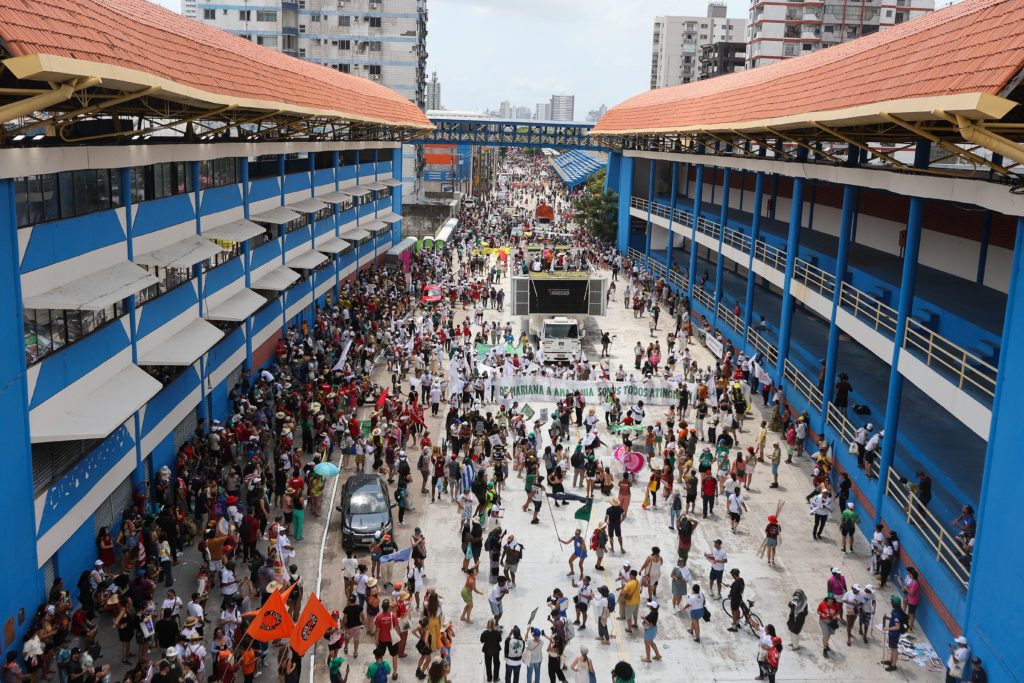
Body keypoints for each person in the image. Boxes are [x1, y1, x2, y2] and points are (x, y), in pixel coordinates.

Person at [882, 595, 904, 672]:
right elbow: (895, 620)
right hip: (892, 634)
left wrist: (887, 628)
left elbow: (897, 627)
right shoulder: (897, 610)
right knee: (892, 647)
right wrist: (889, 618)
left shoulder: (897, 614)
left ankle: (893, 665)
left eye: (892, 601)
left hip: (894, 634)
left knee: (894, 649)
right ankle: (891, 661)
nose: (890, 602)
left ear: (894, 603)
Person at [817, 593, 840, 658]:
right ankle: (825, 649)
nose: (831, 600)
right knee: (826, 635)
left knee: (829, 634)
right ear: (827, 598)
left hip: (831, 621)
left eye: (832, 599)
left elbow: (838, 611)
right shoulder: (822, 604)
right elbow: (818, 611)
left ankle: (826, 644)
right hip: (823, 621)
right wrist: (821, 614)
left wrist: (835, 615)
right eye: (830, 598)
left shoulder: (836, 605)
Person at [480, 619, 502, 683]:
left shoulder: (484, 633)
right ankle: (495, 678)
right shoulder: (497, 633)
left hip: (487, 650)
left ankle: (489, 678)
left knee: (488, 664)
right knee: (496, 663)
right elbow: (500, 640)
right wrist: (498, 632)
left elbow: (482, 641)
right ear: (494, 625)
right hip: (496, 650)